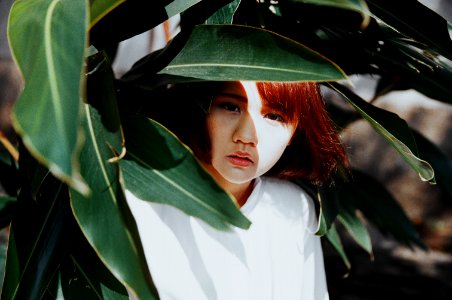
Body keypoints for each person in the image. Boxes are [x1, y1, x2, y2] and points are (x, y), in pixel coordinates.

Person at [125, 80, 349, 299]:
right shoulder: (138, 202)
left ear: (295, 131)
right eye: (231, 107)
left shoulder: (294, 208)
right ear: (203, 108)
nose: (246, 136)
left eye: (273, 116)